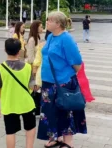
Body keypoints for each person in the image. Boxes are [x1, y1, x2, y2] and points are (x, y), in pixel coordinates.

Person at [38, 11, 87, 148]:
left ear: (58, 24)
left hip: (62, 83)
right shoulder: (51, 37)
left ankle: (67, 143)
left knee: (65, 111)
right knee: (50, 112)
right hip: (48, 82)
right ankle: (54, 137)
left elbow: (77, 62)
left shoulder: (66, 39)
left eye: (49, 20)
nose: (46, 22)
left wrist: (66, 76)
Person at [0, 38, 36, 148]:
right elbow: (32, 86)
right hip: (26, 104)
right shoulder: (27, 67)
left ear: (5, 50)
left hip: (9, 105)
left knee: (10, 131)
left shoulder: (0, 68)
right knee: (30, 127)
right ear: (19, 51)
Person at [26, 21, 43, 116]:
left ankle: (36, 109)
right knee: (34, 88)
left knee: (37, 88)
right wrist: (34, 68)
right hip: (33, 67)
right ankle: (33, 108)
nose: (42, 28)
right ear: (36, 28)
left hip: (37, 66)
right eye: (40, 27)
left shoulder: (37, 38)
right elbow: (30, 56)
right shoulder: (32, 39)